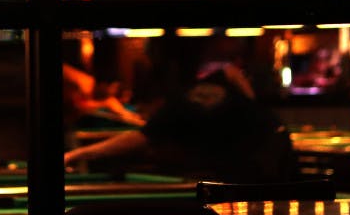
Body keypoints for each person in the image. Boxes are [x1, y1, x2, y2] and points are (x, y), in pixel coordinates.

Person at [64, 65, 294, 182]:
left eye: (146, 110)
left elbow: (138, 138)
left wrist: (77, 154)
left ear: (156, 101)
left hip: (259, 158)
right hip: (278, 136)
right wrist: (251, 101)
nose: (146, 114)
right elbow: (230, 71)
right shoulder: (201, 87)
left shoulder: (174, 107)